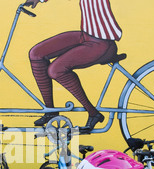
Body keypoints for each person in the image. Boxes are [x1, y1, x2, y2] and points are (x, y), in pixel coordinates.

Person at [26, 0, 122, 133]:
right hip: (86, 36)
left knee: (55, 70)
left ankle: (93, 113)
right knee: (36, 54)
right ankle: (50, 111)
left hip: (102, 43)